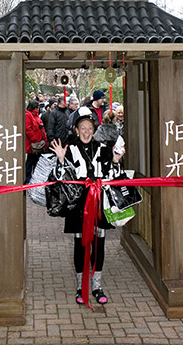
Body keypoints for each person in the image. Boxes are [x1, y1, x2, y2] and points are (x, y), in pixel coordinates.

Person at [49, 106, 125, 305]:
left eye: (90, 127)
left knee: (99, 245)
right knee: (80, 245)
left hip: (99, 202)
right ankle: (80, 286)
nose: (86, 131)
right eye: (82, 127)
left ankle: (97, 286)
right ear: (76, 129)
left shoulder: (102, 148)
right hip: (78, 205)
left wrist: (116, 160)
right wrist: (60, 159)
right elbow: (60, 180)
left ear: (94, 129)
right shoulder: (70, 149)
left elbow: (112, 175)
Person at [25, 99, 47, 183]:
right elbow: (28, 129)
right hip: (33, 143)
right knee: (30, 161)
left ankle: (34, 178)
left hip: (38, 142)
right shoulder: (28, 115)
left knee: (36, 161)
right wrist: (35, 139)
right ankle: (28, 178)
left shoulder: (36, 115)